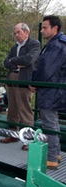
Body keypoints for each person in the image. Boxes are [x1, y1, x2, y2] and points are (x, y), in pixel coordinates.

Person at [31, 15, 66, 170]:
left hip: (50, 90)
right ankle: (56, 153)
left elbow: (46, 69)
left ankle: (51, 158)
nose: (42, 30)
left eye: (45, 27)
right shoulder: (57, 43)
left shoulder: (56, 45)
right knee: (53, 123)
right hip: (55, 89)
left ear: (55, 28)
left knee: (49, 124)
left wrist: (34, 82)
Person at [0, 23, 40, 151]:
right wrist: (15, 63)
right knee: (12, 108)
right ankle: (13, 134)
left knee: (25, 109)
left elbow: (29, 60)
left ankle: (28, 139)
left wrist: (13, 61)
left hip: (24, 79)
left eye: (18, 32)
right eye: (15, 33)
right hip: (12, 78)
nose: (16, 35)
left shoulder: (34, 44)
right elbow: (6, 62)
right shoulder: (14, 46)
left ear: (26, 32)